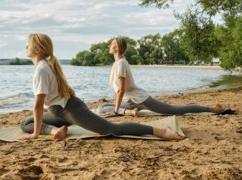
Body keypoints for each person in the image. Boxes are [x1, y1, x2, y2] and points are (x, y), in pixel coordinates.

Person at [19, 33, 186, 141]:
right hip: (60, 111)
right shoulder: (44, 66)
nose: (26, 46)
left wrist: (35, 134)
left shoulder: (41, 69)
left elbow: (38, 105)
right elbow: (42, 107)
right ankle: (56, 131)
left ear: (38, 49)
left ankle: (162, 132)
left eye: (29, 44)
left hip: (70, 110)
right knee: (25, 122)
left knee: (111, 129)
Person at [97, 37, 224, 117]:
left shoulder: (121, 64)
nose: (109, 46)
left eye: (111, 44)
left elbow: (121, 90)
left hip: (141, 99)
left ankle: (212, 108)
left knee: (174, 110)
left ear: (118, 47)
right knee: (101, 107)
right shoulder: (117, 64)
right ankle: (129, 112)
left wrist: (115, 111)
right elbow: (117, 92)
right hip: (131, 102)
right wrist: (116, 108)